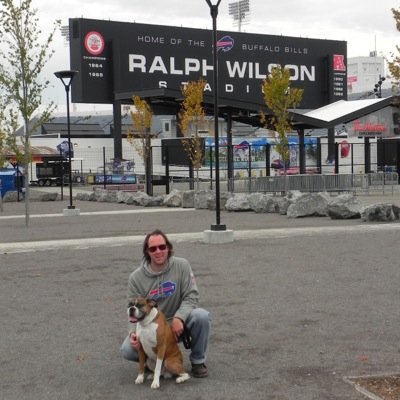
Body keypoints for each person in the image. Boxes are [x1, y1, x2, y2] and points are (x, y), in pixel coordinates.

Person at [120, 229, 211, 378]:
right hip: (151, 327)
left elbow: (192, 295)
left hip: (178, 325)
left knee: (202, 316)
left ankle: (198, 361)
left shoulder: (182, 265)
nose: (158, 251)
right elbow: (131, 310)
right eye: (153, 248)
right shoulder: (135, 278)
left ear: (168, 248)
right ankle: (155, 362)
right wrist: (133, 333)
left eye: (162, 247)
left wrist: (179, 317)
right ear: (147, 252)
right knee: (127, 350)